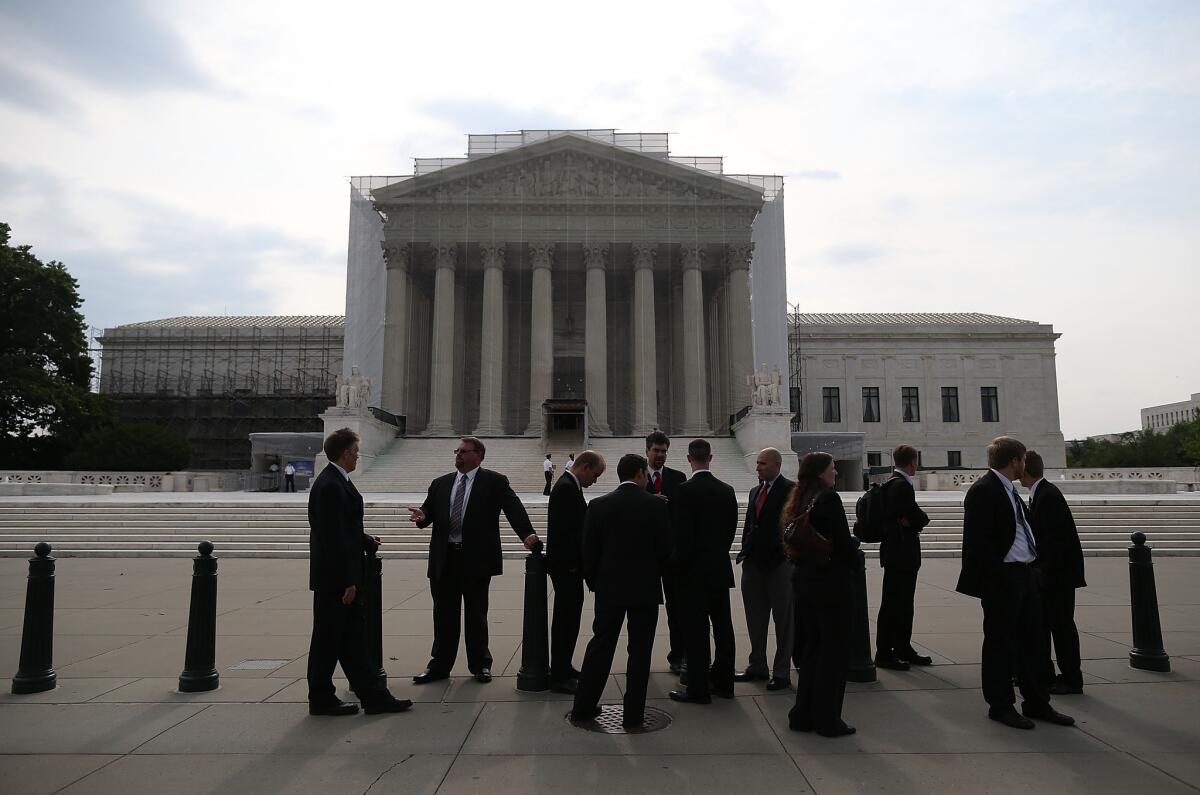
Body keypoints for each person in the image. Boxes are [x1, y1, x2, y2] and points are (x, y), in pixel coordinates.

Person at [957, 436, 1075, 730]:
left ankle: (1037, 702)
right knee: (1000, 644)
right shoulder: (983, 491)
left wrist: (1032, 570)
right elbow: (978, 543)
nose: (1025, 465)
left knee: (1034, 643)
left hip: (1025, 575)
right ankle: (1001, 705)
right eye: (1023, 459)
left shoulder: (1009, 491)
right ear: (1015, 461)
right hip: (1004, 579)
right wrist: (1000, 576)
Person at [409, 436, 539, 684]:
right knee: (443, 614)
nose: (457, 454)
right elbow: (428, 513)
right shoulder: (441, 483)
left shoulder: (494, 482)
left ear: (478, 455)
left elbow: (514, 508)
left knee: (476, 614)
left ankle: (480, 664)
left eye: (463, 451)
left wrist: (527, 534)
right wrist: (422, 516)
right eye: (456, 451)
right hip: (444, 558)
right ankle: (439, 665)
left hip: (475, 558)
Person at [307, 428, 411, 716]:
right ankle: (322, 698)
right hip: (336, 580)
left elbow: (343, 527)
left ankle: (373, 697)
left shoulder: (336, 481)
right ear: (345, 453)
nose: (357, 457)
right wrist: (348, 581)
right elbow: (331, 538)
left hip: (336, 576)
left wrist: (365, 540)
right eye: (355, 452)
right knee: (329, 642)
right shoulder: (330, 485)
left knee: (350, 641)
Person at [571, 454, 671, 728]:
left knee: (600, 646)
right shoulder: (656, 506)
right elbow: (666, 551)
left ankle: (583, 706)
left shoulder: (599, 505)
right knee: (639, 652)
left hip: (609, 589)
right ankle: (633, 714)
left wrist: (595, 583)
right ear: (640, 473)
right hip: (645, 589)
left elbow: (588, 552)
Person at [784, 452, 857, 737]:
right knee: (833, 653)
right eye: (832, 469)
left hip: (804, 581)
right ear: (820, 473)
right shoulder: (828, 499)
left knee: (812, 650)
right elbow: (841, 544)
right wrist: (854, 544)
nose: (836, 473)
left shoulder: (800, 498)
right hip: (830, 585)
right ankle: (828, 720)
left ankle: (802, 714)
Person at [668, 439, 739, 704]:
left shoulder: (683, 491)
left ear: (689, 459)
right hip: (719, 569)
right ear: (711, 457)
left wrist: (678, 568)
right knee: (723, 628)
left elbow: (682, 537)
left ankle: (698, 688)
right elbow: (731, 530)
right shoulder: (727, 490)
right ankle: (725, 683)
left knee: (696, 632)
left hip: (692, 573)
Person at [1020, 449, 1086, 695]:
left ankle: (1071, 679)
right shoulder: (1041, 494)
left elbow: (1054, 541)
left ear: (1025, 471)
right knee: (1053, 626)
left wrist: (1039, 571)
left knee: (1061, 628)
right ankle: (1052, 674)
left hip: (1057, 577)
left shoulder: (1047, 496)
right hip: (1054, 574)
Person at [546, 450, 607, 694]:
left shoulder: (569, 486)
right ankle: (559, 674)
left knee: (569, 620)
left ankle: (564, 666)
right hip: (567, 567)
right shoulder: (565, 489)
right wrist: (577, 564)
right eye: (596, 474)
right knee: (565, 621)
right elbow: (567, 534)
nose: (596, 480)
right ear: (584, 467)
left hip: (568, 567)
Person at [735, 447, 795, 690]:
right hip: (753, 564)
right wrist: (745, 550)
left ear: (777, 465)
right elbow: (751, 524)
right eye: (757, 463)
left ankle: (781, 671)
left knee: (784, 621)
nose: (757, 467)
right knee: (755, 618)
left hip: (779, 564)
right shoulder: (754, 491)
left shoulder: (791, 490)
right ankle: (757, 664)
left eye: (762, 463)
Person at [875, 444, 931, 670]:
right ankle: (887, 651)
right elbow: (915, 516)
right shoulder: (901, 486)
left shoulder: (891, 483)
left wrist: (910, 519)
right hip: (902, 551)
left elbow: (907, 516)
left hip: (894, 550)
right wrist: (920, 520)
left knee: (900, 602)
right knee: (897, 603)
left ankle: (901, 647)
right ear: (912, 462)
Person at [645, 430, 688, 674]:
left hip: (672, 555)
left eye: (663, 451)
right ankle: (641, 657)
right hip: (647, 556)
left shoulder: (678, 477)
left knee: (677, 608)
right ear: (647, 451)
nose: (660, 455)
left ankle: (678, 655)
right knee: (645, 611)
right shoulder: (637, 476)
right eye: (656, 451)